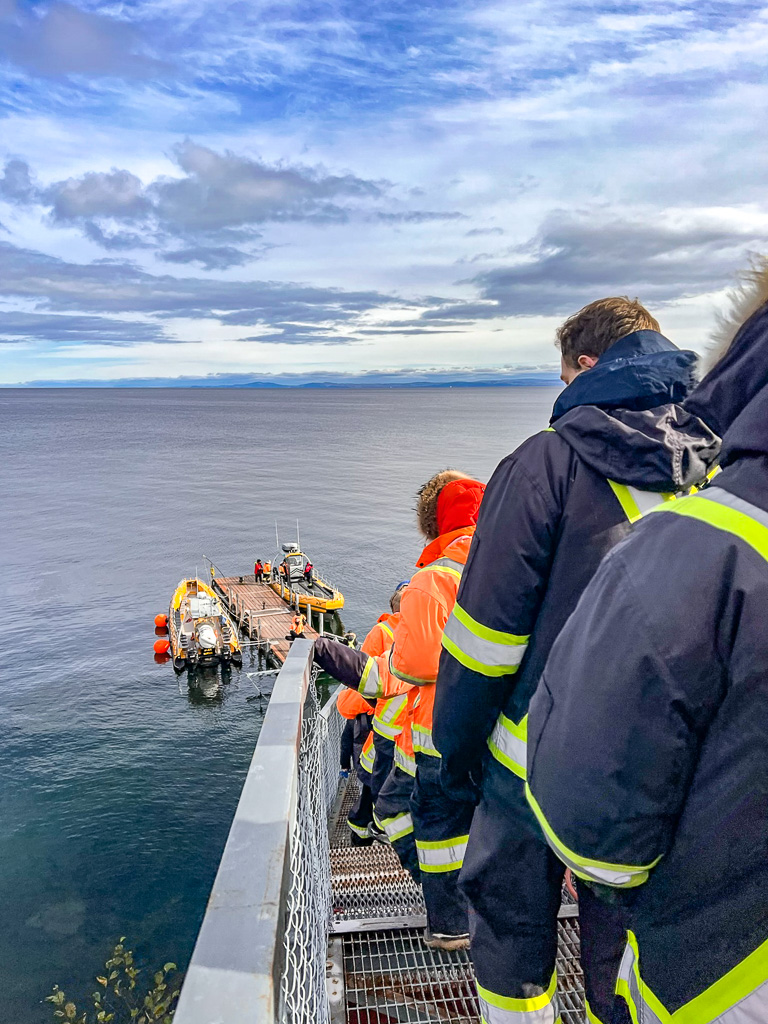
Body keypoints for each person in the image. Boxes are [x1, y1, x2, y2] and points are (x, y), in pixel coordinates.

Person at [433, 297, 723, 1023]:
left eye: (562, 376)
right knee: (623, 944)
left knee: (510, 927)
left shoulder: (544, 464)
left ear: (586, 366)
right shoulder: (715, 462)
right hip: (664, 765)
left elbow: (483, 642)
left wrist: (458, 754)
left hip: (530, 763)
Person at [526, 274, 768, 1023]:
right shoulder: (696, 468)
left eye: (565, 372)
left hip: (717, 971)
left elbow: (592, 825)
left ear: (585, 367)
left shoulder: (707, 540)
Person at [314, 471, 486, 950]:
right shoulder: (515, 567)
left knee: (423, 823)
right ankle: (478, 899)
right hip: (502, 734)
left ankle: (454, 918)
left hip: (434, 734)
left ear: (434, 526)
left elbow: (409, 665)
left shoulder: (432, 583)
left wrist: (326, 653)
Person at [362, 582, 409, 802]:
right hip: (413, 722)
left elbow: (363, 675)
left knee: (378, 769)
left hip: (384, 718)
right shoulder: (426, 630)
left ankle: (373, 822)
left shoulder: (381, 631)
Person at [336, 686, 376, 844]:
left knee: (365, 792)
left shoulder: (354, 716)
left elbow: (346, 741)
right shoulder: (384, 706)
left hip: (363, 763)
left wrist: (344, 765)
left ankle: (364, 836)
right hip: (388, 761)